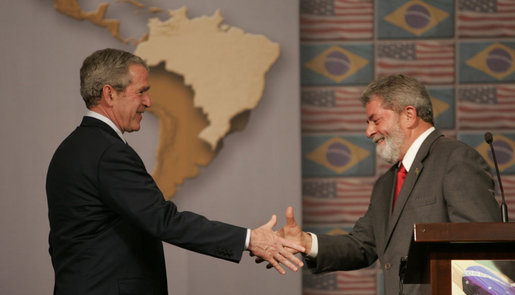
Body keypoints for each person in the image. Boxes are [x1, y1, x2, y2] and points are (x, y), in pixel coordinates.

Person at [46, 48, 304, 295]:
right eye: (141, 92)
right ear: (109, 94)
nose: (148, 102)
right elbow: (164, 221)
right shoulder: (108, 153)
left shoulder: (71, 149)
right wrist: (250, 239)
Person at [270, 74, 502, 294]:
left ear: (409, 115)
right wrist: (306, 243)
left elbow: (481, 248)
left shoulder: (455, 159)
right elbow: (362, 245)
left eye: (375, 120)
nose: (369, 131)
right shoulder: (386, 183)